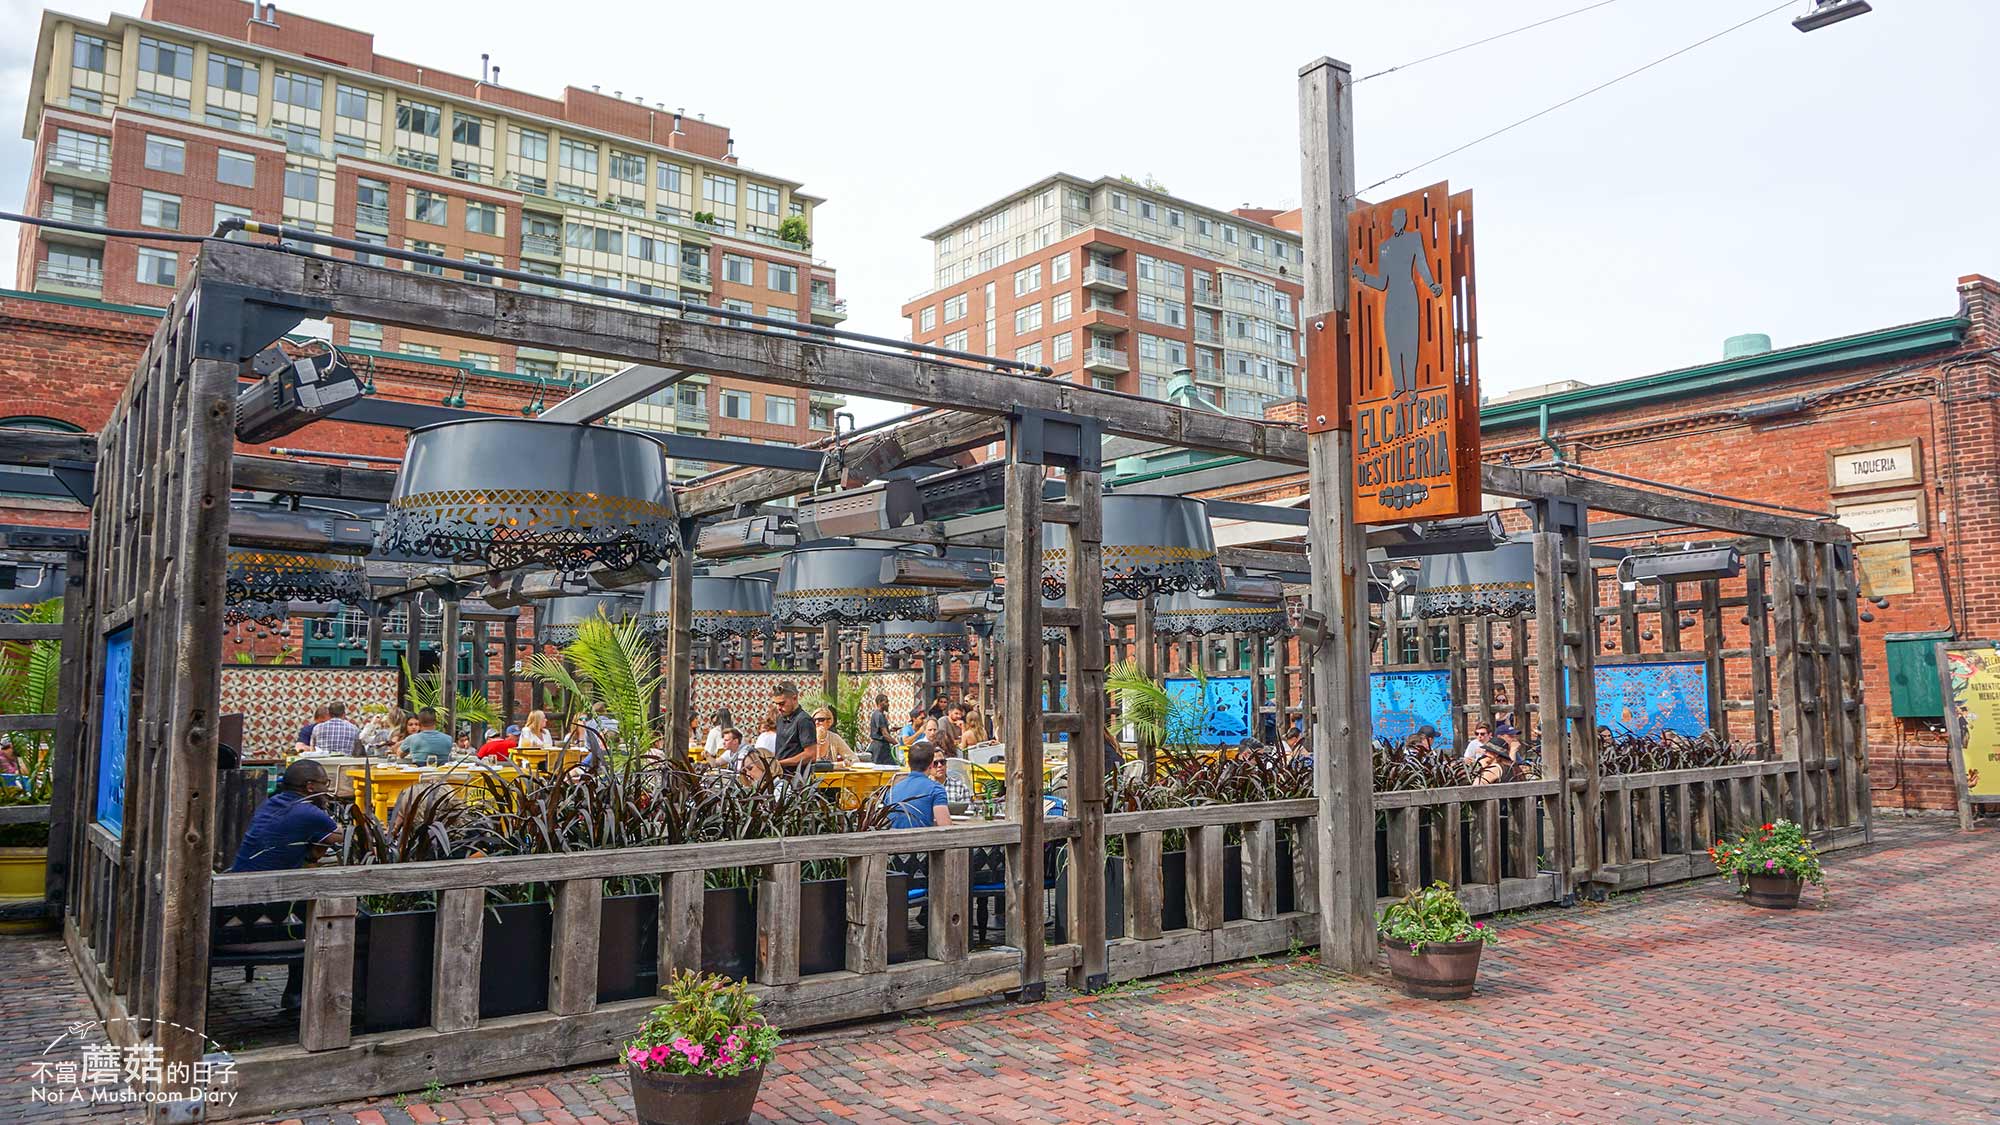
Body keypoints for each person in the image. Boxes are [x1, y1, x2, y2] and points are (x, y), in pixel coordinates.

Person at [229, 760, 340, 873]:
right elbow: (344, 838)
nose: (327, 790)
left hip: (239, 874)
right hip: (261, 885)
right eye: (325, 784)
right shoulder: (308, 813)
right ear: (310, 787)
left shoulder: (270, 803)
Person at [884, 743, 953, 829]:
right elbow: (946, 827)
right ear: (931, 764)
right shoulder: (936, 789)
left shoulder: (892, 791)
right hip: (921, 840)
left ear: (908, 763)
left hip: (892, 840)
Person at [769, 681, 818, 774]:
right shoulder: (780, 718)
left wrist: (780, 763)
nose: (778, 707)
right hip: (781, 775)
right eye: (776, 704)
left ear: (794, 698)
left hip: (798, 778)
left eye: (782, 703)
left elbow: (811, 754)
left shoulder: (804, 720)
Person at [865, 694, 894, 763]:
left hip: (878, 746)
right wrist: (896, 743)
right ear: (880, 702)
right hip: (881, 748)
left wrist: (890, 730)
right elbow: (885, 734)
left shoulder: (876, 714)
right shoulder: (879, 715)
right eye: (886, 702)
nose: (888, 704)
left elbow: (878, 731)